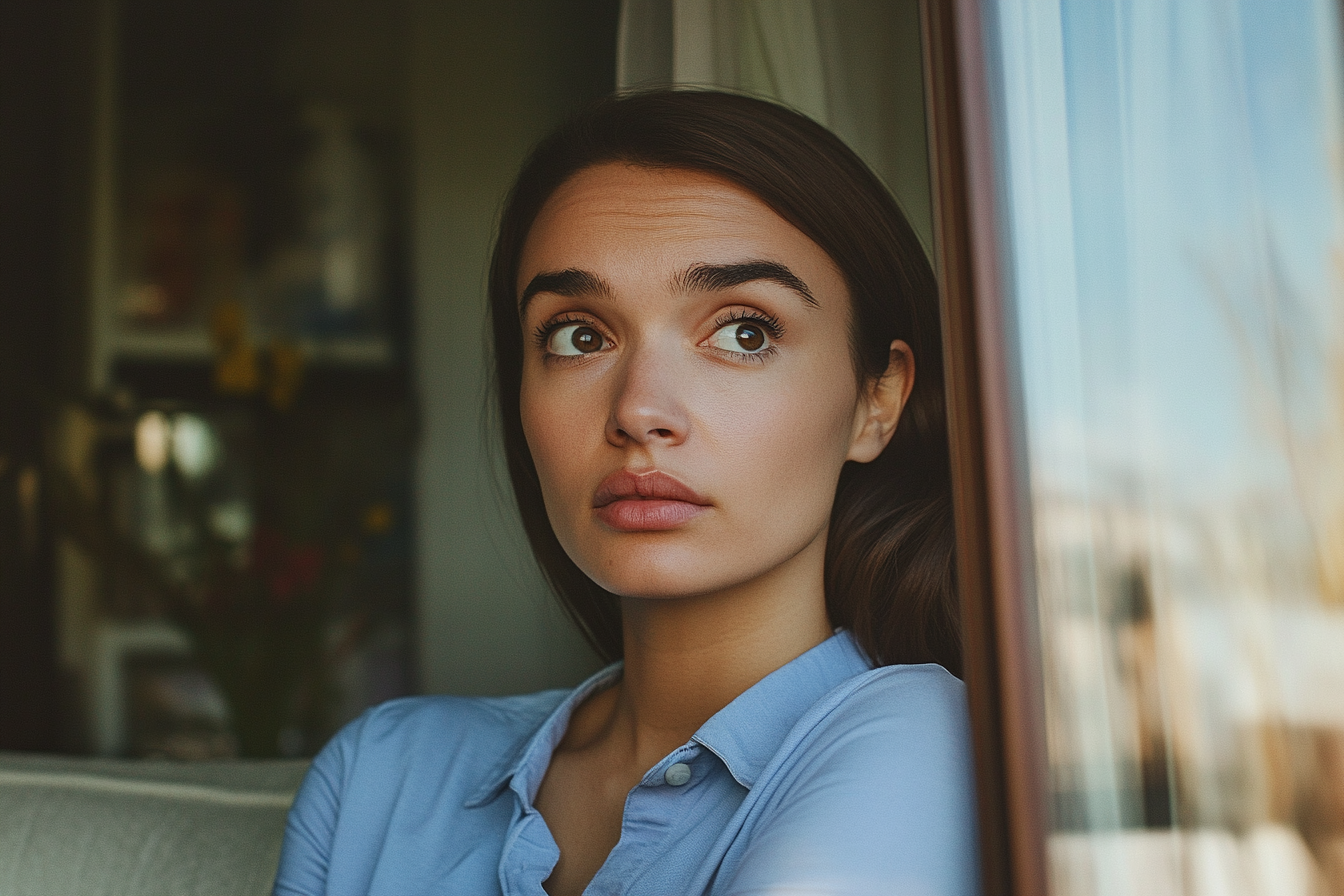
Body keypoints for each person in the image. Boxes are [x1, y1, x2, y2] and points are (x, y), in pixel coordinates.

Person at [273, 89, 980, 896]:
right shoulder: (384, 776)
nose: (640, 409)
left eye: (744, 331)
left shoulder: (921, 733)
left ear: (876, 400)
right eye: (579, 336)